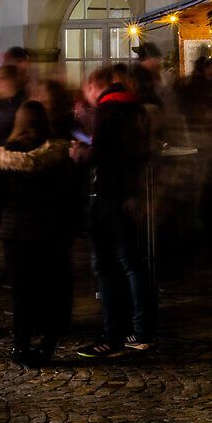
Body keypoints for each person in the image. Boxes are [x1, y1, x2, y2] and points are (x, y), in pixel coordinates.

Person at [0, 101, 79, 367]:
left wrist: (6, 212)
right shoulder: (58, 154)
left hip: (16, 233)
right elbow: (72, 192)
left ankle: (21, 346)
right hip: (51, 230)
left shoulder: (5, 156)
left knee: (22, 292)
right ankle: (47, 343)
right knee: (50, 288)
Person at [74, 67, 155, 358]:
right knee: (132, 263)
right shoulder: (136, 109)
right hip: (131, 194)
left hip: (109, 196)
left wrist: (81, 154)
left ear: (96, 85)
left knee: (107, 267)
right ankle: (142, 330)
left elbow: (103, 155)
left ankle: (112, 337)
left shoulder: (107, 111)